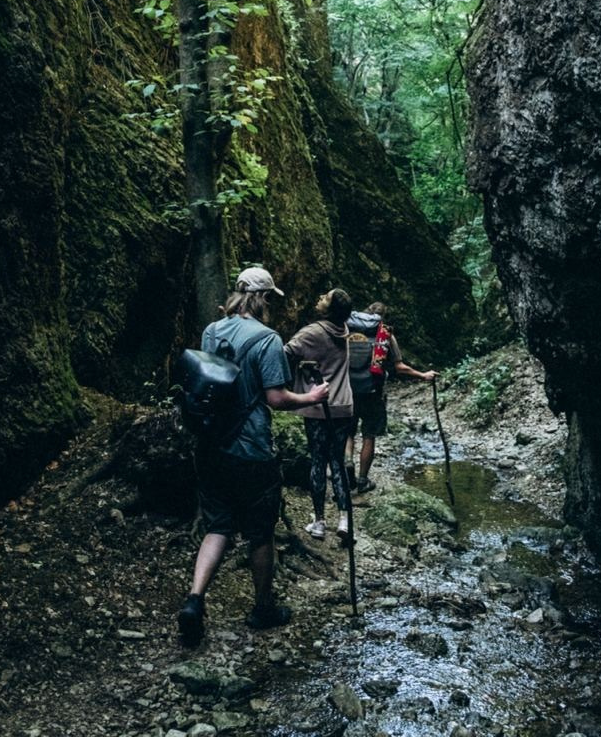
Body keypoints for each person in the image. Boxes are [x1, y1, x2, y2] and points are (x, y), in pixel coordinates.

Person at [176, 266, 329, 648]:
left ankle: (195, 600)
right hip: (251, 449)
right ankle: (263, 608)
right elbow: (276, 398)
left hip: (212, 445)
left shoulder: (212, 331)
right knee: (260, 531)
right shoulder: (267, 339)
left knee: (218, 525)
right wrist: (311, 398)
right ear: (262, 299)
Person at [346, 301, 438, 493]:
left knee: (348, 434)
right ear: (382, 316)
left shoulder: (345, 327)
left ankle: (347, 468)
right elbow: (399, 367)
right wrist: (423, 375)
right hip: (373, 392)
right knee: (369, 436)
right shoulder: (385, 334)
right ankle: (362, 481)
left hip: (347, 390)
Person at [284, 288, 354, 541]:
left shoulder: (313, 332)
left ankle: (320, 522)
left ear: (330, 307)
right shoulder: (344, 329)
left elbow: (284, 354)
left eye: (325, 297)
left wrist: (293, 376)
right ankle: (345, 519)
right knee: (337, 462)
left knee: (317, 461)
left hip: (317, 407)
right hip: (343, 405)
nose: (320, 297)